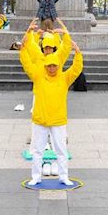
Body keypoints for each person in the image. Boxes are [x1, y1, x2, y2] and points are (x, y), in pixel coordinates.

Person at [23, 35, 83, 186]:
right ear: (45, 66)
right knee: (37, 151)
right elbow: (27, 64)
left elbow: (76, 69)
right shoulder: (38, 77)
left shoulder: (64, 78)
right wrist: (23, 48)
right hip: (40, 120)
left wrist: (77, 53)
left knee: (61, 151)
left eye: (54, 65)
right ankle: (36, 176)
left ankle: (63, 176)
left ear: (58, 65)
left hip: (58, 121)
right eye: (49, 66)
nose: (51, 68)